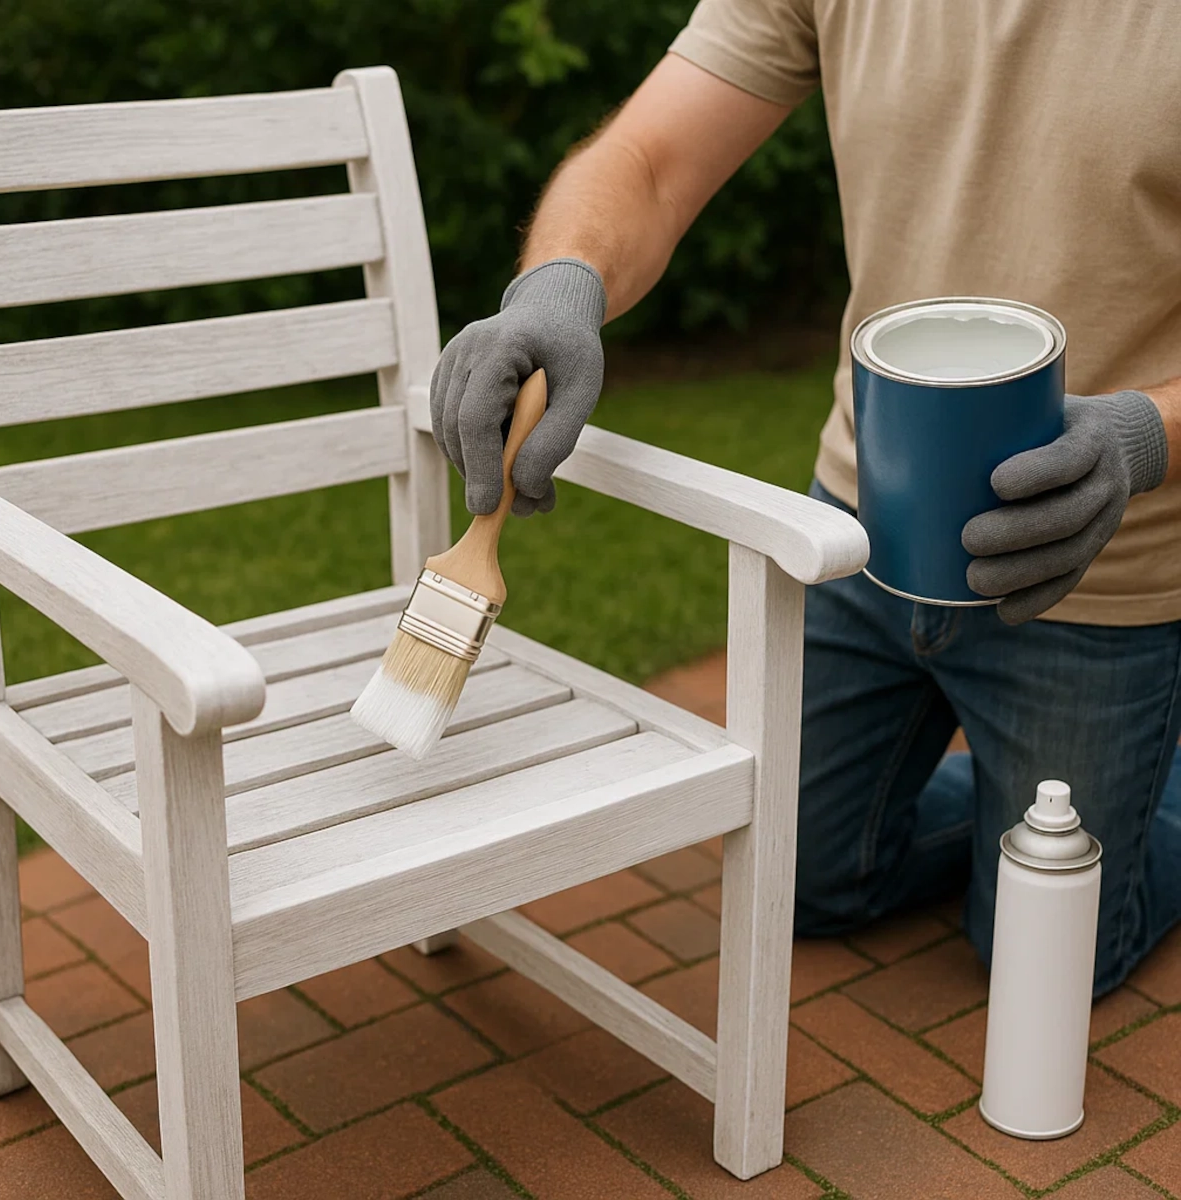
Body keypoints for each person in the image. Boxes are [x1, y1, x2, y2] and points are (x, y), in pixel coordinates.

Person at [429, 1, 1181, 995]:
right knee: (793, 879)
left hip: (1098, 564)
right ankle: (1044, 800)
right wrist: (561, 283)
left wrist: (1145, 438)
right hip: (854, 534)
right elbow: (650, 158)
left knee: (1045, 963)